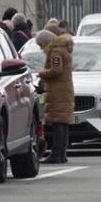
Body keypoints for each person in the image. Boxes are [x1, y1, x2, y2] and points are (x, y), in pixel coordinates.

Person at [36, 29, 74, 164]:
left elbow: (56, 70)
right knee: (63, 123)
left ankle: (57, 154)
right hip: (63, 89)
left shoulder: (56, 51)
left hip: (58, 90)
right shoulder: (63, 49)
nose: (41, 49)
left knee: (58, 122)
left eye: (41, 45)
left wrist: (41, 73)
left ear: (46, 42)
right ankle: (62, 153)